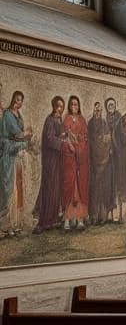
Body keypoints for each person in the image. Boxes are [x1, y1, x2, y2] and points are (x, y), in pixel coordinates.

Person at [0, 92, 32, 236]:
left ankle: (15, 223)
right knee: (9, 190)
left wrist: (24, 137)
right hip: (9, 156)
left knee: (19, 189)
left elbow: (20, 135)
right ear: (13, 99)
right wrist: (25, 135)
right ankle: (6, 225)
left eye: (21, 101)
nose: (19, 103)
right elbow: (16, 134)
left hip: (17, 156)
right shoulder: (8, 114)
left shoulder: (18, 115)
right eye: (18, 100)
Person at [33, 96, 66, 232]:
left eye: (62, 107)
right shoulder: (50, 120)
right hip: (50, 161)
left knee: (56, 189)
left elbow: (60, 135)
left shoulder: (60, 120)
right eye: (58, 106)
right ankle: (43, 222)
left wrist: (64, 137)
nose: (60, 109)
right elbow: (50, 139)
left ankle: (53, 220)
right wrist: (62, 142)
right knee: (48, 189)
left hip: (58, 160)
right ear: (54, 106)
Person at [61, 95, 89, 230]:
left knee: (80, 188)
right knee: (69, 187)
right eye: (72, 104)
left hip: (80, 159)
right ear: (69, 106)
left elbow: (85, 138)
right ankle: (67, 219)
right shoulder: (66, 119)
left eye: (76, 104)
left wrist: (77, 146)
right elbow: (63, 137)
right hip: (69, 159)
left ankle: (79, 219)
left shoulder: (82, 120)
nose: (74, 106)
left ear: (79, 106)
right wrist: (69, 144)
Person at [87, 100, 114, 224]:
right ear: (93, 111)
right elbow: (89, 141)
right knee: (93, 189)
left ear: (101, 111)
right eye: (96, 110)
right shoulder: (90, 124)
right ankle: (93, 216)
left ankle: (102, 216)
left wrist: (104, 139)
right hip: (93, 161)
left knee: (103, 190)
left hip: (103, 161)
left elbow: (108, 139)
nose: (97, 112)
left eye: (99, 110)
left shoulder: (104, 123)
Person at [105, 99, 126, 222]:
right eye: (109, 105)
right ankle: (110, 214)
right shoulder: (105, 120)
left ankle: (120, 214)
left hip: (119, 157)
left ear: (115, 106)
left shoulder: (120, 119)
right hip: (108, 157)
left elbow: (124, 137)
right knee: (110, 183)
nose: (111, 106)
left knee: (119, 183)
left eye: (112, 104)